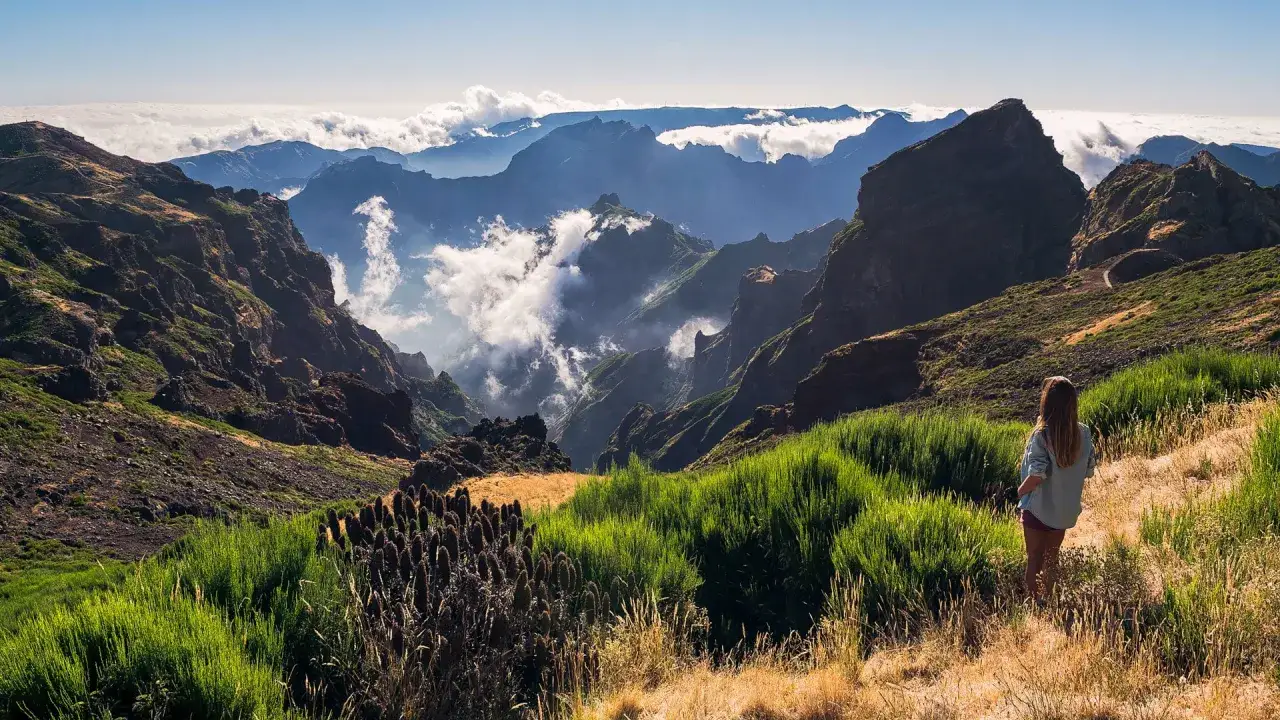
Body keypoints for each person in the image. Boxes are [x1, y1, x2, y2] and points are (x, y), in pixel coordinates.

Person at [1017, 376, 1096, 604]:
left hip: (1037, 508)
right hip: (1063, 511)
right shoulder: (1084, 433)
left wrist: (1021, 492)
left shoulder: (1041, 435)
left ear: (1047, 403)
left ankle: (1034, 603)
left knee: (1034, 558)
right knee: (1052, 558)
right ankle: (1050, 600)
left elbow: (1037, 475)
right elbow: (1089, 470)